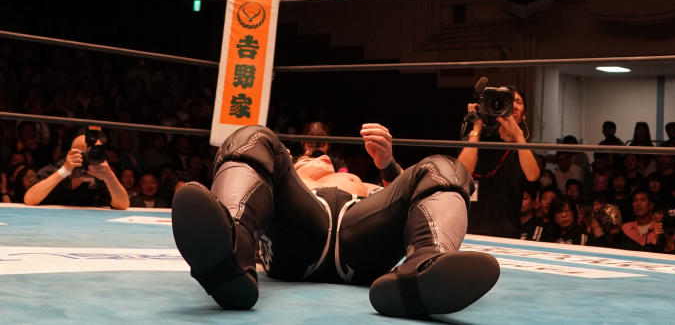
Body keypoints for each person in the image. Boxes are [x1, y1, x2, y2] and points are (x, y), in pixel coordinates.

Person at [170, 123, 499, 318]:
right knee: (251, 138)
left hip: (363, 234)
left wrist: (387, 165)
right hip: (302, 231)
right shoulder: (286, 178)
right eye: (311, 157)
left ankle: (425, 270)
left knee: (445, 168)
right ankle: (231, 258)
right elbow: (259, 182)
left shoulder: (362, 183)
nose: (322, 158)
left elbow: (410, 199)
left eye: (326, 155)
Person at [458, 87, 541, 238]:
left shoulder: (523, 151)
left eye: (518, 102)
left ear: (524, 116)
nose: (513, 106)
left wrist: (517, 133)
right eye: (508, 100)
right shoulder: (479, 143)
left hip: (505, 233)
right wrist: (476, 126)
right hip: (469, 231)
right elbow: (461, 172)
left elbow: (532, 175)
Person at [23, 129, 129, 210]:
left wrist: (109, 176)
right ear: (70, 154)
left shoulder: (100, 172)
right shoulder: (58, 168)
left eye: (93, 154)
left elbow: (122, 205)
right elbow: (30, 199)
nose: (87, 161)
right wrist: (64, 171)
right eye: (83, 155)